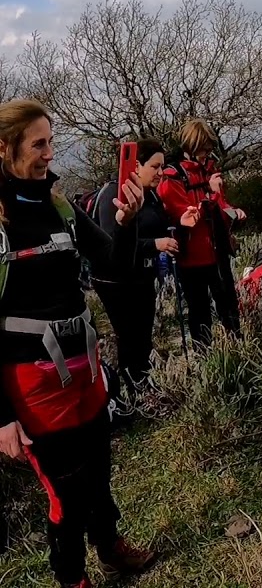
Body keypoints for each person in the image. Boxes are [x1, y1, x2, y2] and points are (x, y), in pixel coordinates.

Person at [0, 98, 157, 588]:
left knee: (100, 467)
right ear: (4, 149)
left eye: (51, 141)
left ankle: (110, 548)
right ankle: (72, 579)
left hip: (84, 365)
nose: (50, 153)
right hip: (33, 383)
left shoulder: (58, 204)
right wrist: (1, 418)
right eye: (38, 144)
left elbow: (113, 263)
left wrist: (126, 224)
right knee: (66, 491)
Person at [90, 139, 199, 389]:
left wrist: (179, 222)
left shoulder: (150, 196)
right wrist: (156, 245)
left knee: (144, 334)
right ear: (136, 165)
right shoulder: (113, 196)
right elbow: (112, 244)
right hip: (115, 281)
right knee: (130, 336)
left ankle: (145, 385)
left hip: (142, 276)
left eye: (162, 167)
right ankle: (133, 389)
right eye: (155, 166)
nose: (161, 173)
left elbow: (156, 227)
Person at [156, 118, 246, 349]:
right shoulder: (171, 178)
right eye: (202, 149)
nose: (206, 154)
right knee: (199, 310)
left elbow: (221, 209)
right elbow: (188, 218)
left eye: (208, 148)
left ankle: (237, 349)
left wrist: (233, 211)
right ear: (190, 147)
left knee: (228, 305)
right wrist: (214, 196)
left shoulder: (210, 170)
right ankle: (205, 357)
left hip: (217, 252)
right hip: (191, 258)